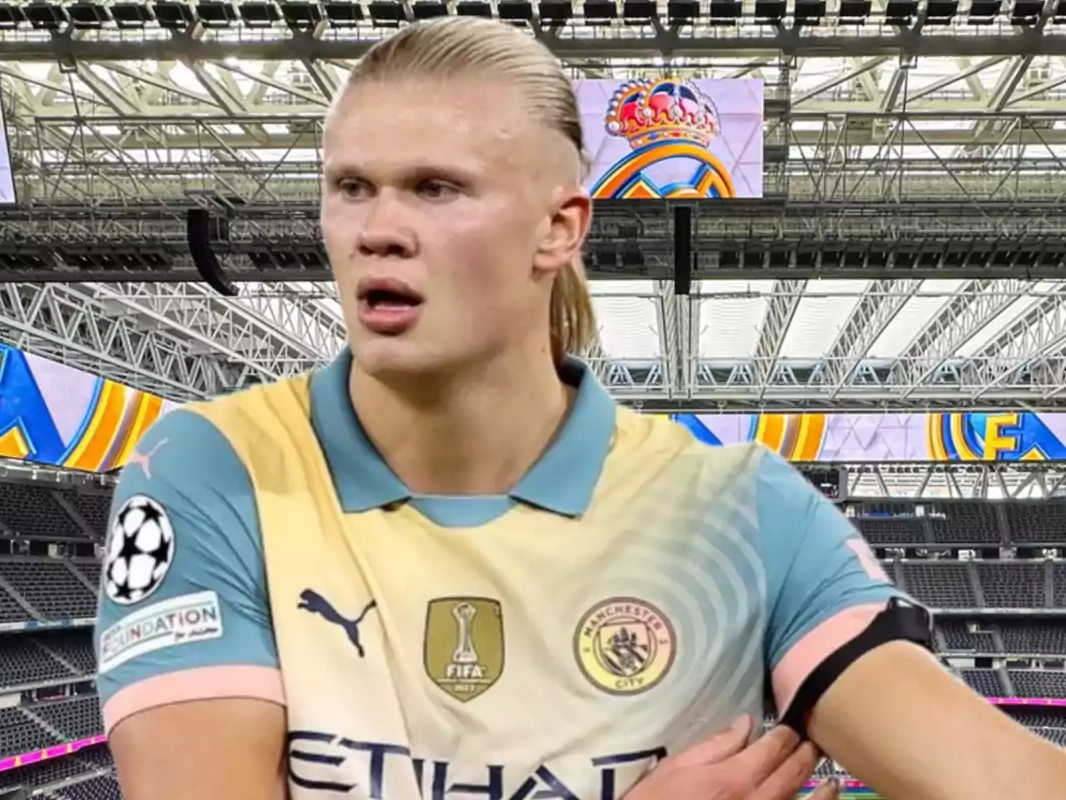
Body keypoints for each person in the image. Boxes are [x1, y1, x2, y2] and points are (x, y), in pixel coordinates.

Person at [93, 16, 1066, 800]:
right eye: (351, 187)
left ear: (560, 226)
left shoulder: (736, 508)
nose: (378, 230)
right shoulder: (216, 466)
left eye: (436, 188)